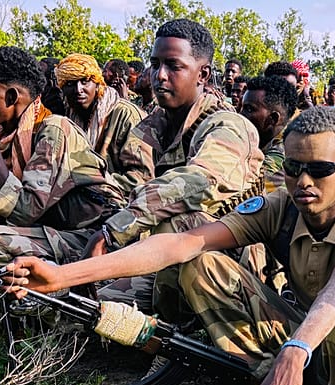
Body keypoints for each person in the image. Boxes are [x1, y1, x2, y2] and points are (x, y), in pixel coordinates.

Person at [6, 106, 335, 385]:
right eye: (291, 168)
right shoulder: (281, 208)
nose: (303, 181)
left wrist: (295, 351)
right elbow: (180, 245)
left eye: (319, 170)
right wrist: (61, 276)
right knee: (202, 265)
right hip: (302, 337)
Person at [82, 18, 263, 331]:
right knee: (86, 308)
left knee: (175, 223)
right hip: (174, 262)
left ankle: (177, 348)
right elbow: (137, 186)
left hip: (228, 268)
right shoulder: (160, 125)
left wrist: (113, 232)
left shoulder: (228, 125)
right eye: (155, 64)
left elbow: (195, 182)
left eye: (173, 66)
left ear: (203, 75)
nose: (159, 75)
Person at [0, 46, 127, 263]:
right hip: (48, 226)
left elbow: (23, 210)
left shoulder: (53, 129)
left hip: (92, 238)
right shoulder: (4, 133)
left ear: (11, 97)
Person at [54, 53, 153, 195]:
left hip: (121, 204)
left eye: (85, 81)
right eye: (70, 84)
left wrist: (88, 182)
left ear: (97, 84)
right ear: (62, 89)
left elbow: (142, 179)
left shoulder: (126, 115)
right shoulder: (70, 116)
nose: (78, 90)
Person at [239, 75, 296, 194]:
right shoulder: (265, 140)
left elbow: (246, 193)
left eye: (249, 109)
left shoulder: (284, 151)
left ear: (273, 119)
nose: (240, 115)